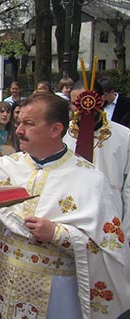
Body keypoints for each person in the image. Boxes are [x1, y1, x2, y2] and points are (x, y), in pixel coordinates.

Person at [0, 93, 130, 318]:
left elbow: (110, 248)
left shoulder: (89, 179)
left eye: (28, 124)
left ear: (55, 129)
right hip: (4, 281)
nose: (19, 130)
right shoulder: (10, 165)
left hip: (56, 292)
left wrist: (59, 234)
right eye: (18, 122)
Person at [64, 81, 130, 238]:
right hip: (67, 215)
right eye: (76, 104)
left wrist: (126, 231)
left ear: (100, 101)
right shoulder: (61, 134)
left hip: (110, 217)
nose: (82, 110)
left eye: (87, 103)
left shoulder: (124, 136)